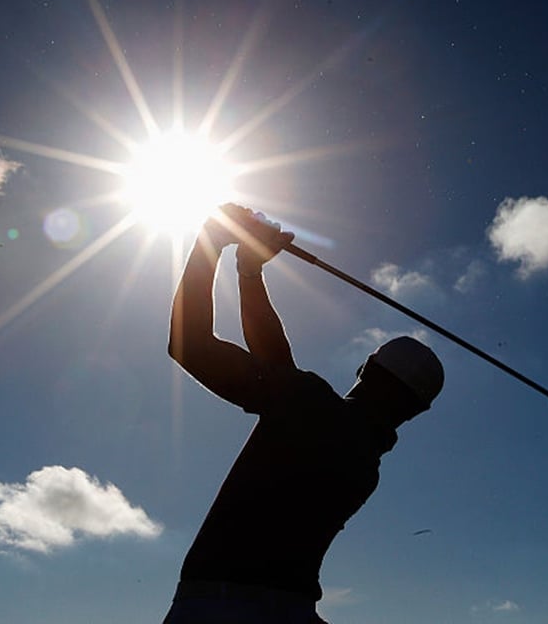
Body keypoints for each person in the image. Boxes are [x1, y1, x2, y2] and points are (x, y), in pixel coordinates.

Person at [163, 204, 444, 624]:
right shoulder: (365, 464)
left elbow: (191, 344)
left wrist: (210, 243)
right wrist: (249, 274)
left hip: (218, 606)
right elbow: (279, 370)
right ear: (416, 411)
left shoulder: (308, 404)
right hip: (292, 611)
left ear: (364, 368)